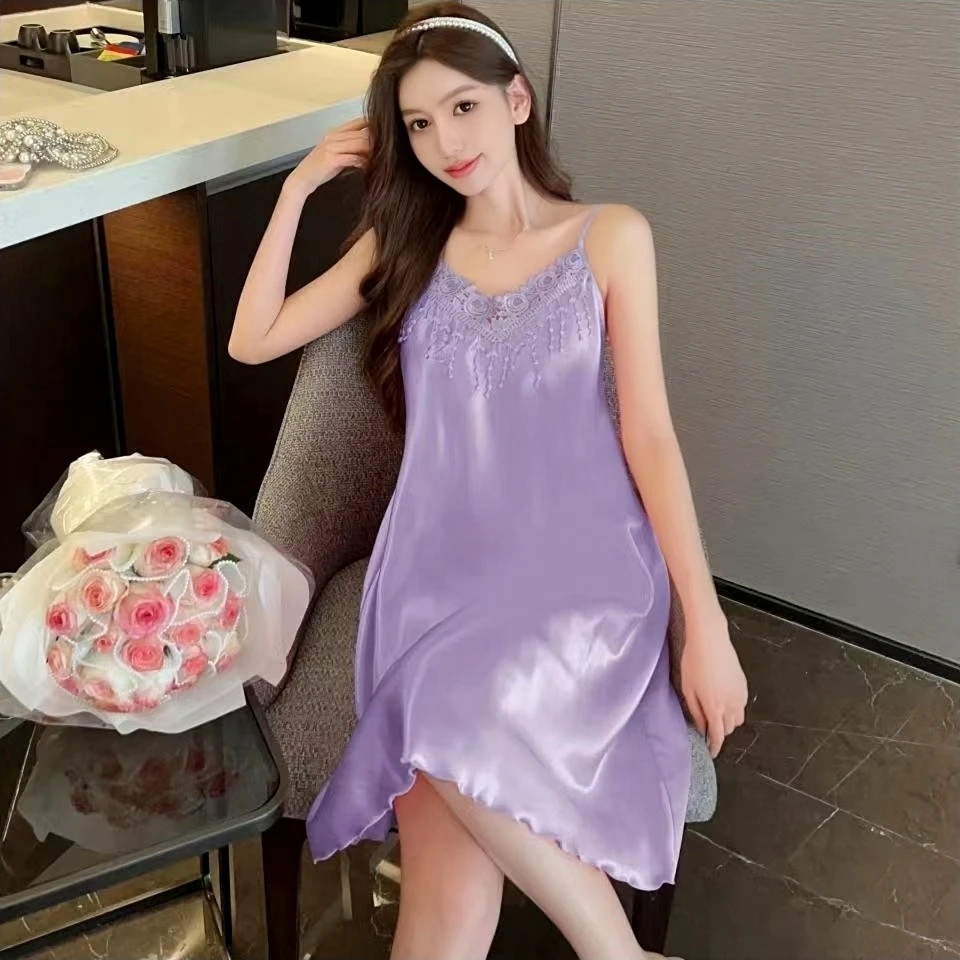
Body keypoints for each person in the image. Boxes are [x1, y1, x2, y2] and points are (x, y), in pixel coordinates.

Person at [230, 4, 748, 958]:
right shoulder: (406, 245)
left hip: (583, 569)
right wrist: (298, 188)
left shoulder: (611, 236)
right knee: (441, 881)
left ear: (517, 100)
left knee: (431, 727)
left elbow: (651, 437)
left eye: (463, 107)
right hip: (434, 568)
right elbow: (251, 338)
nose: (445, 142)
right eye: (419, 124)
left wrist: (705, 625)